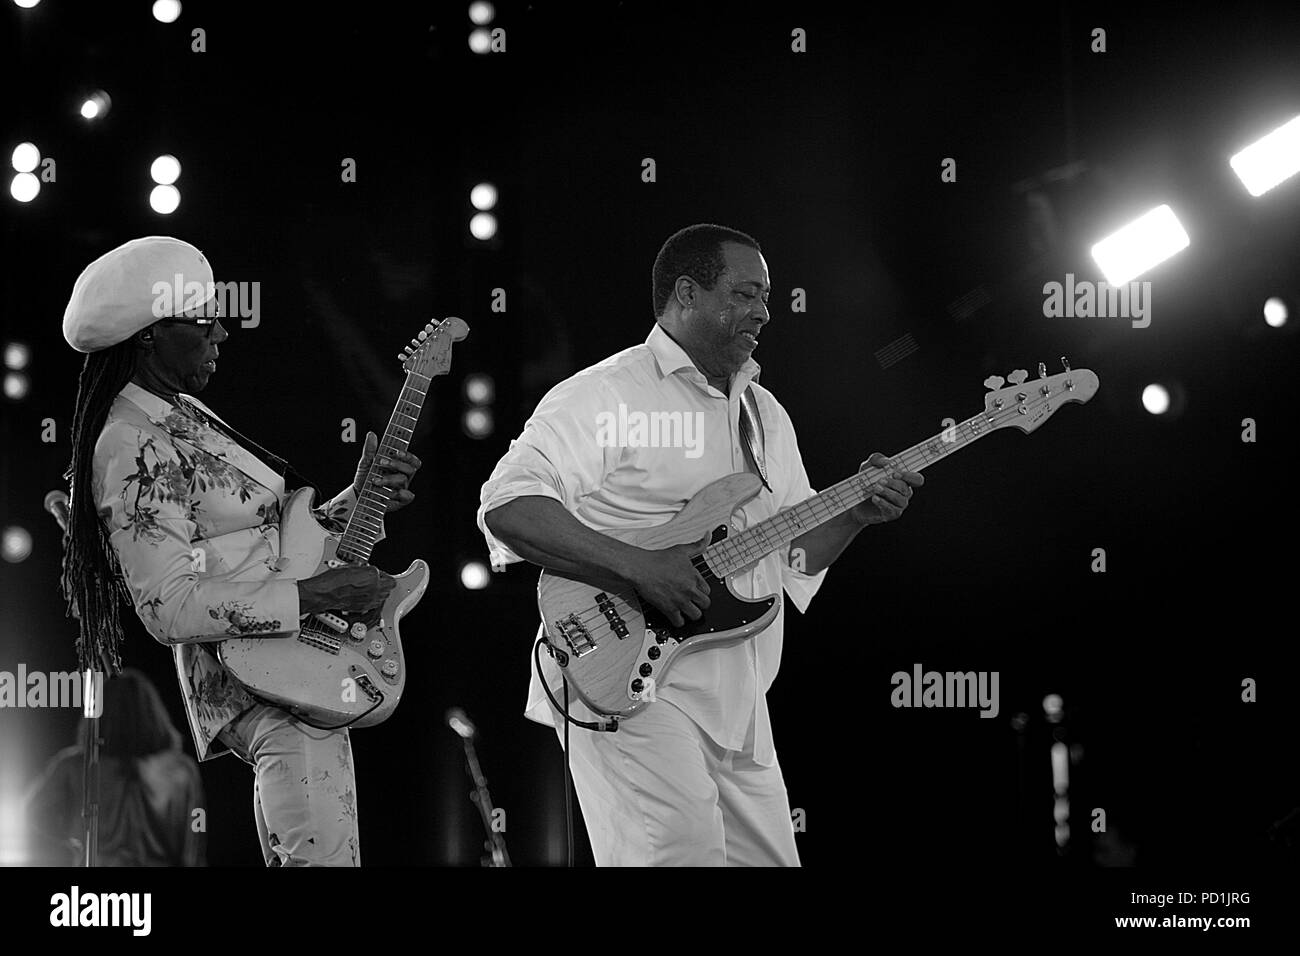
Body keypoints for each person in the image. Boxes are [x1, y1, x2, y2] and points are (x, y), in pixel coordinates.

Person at [478, 223, 924, 866]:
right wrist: (641, 567)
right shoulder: (608, 393)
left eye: (767, 297)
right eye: (745, 294)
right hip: (629, 680)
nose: (765, 312)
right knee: (680, 856)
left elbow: (792, 558)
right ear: (687, 293)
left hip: (737, 695)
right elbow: (509, 506)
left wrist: (856, 514)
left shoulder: (765, 413)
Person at [59, 236, 422, 866]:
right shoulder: (131, 443)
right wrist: (315, 596)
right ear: (149, 335)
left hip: (291, 674)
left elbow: (259, 543)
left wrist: (354, 502)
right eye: (203, 321)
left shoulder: (183, 414)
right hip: (265, 681)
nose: (222, 332)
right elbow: (168, 607)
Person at [24, 669, 206, 866]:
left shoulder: (75, 765)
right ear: (151, 711)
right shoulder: (181, 770)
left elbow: (34, 811)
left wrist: (74, 839)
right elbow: (196, 835)